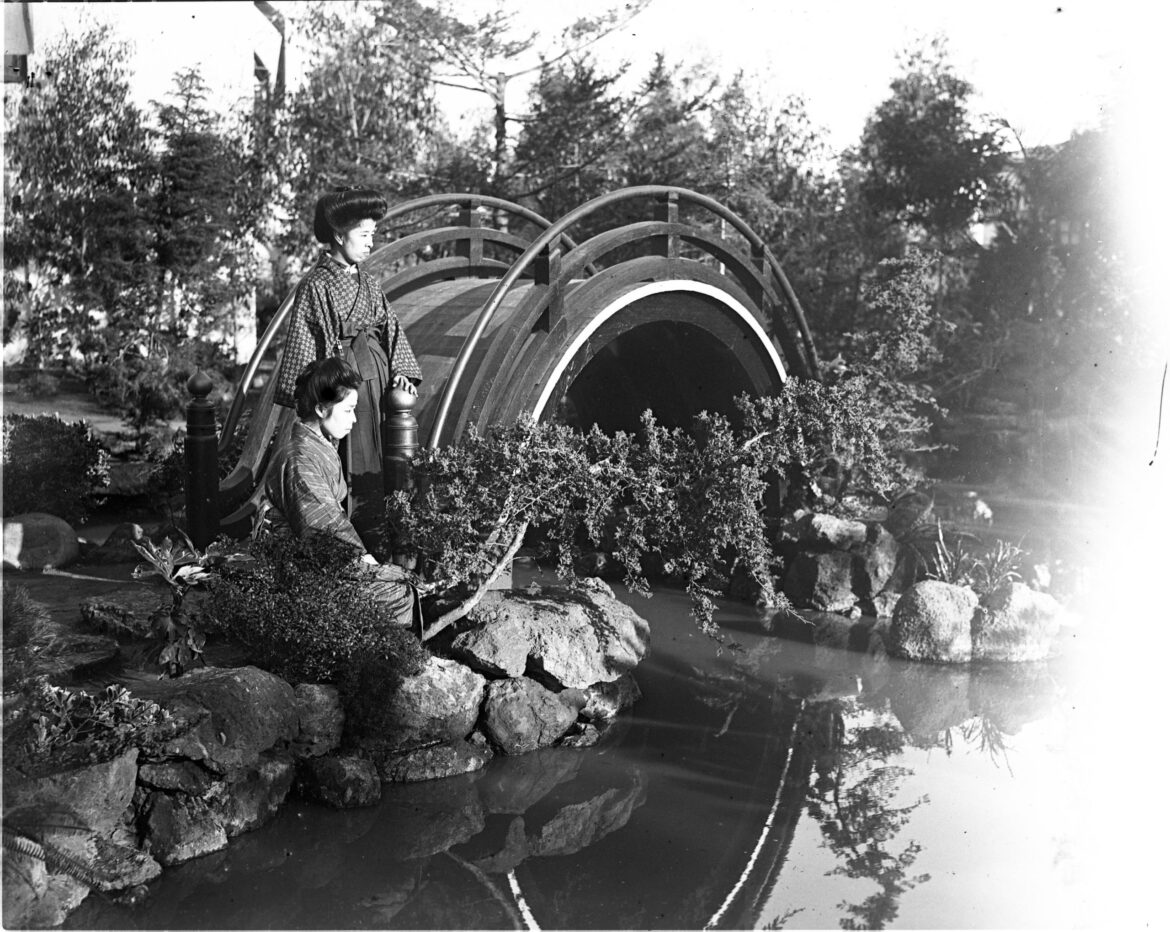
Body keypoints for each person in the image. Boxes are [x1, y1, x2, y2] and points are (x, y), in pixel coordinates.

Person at [274, 188, 422, 556]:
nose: (372, 243)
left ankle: (389, 541)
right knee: (355, 465)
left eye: (374, 234)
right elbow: (307, 346)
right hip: (345, 385)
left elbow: (391, 328)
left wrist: (402, 368)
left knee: (386, 461)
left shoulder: (368, 282)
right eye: (365, 235)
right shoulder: (316, 284)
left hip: (379, 379)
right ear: (339, 235)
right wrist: (324, 397)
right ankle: (358, 549)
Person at [264, 357, 420, 628]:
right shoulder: (300, 460)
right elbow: (326, 531)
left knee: (402, 585)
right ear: (322, 409)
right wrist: (376, 569)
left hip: (319, 563)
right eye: (348, 410)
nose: (354, 420)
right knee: (399, 594)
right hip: (301, 572)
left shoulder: (316, 448)